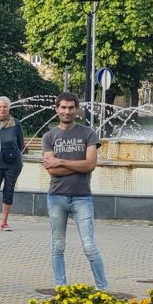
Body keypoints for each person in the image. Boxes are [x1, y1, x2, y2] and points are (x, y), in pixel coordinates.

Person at [42, 92, 109, 291]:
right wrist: (76, 165)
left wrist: (61, 161)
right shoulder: (49, 136)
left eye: (71, 107)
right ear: (57, 109)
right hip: (56, 196)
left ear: (77, 109)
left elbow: (90, 165)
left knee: (89, 246)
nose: (67, 111)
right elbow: (51, 170)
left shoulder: (88, 133)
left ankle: (102, 289)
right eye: (63, 107)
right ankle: (61, 288)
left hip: (82, 197)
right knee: (58, 245)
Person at [0, 96, 26, 231]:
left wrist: (11, 153)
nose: (2, 109)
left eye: (5, 107)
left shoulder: (16, 123)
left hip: (12, 163)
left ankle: (4, 222)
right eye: (0, 107)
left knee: (9, 191)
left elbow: (21, 145)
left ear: (9, 108)